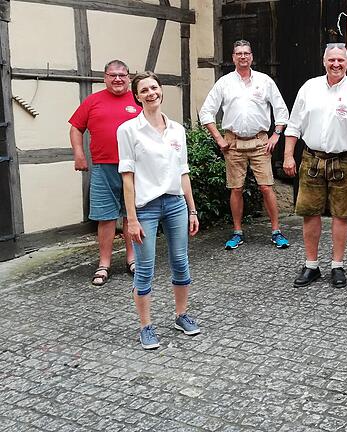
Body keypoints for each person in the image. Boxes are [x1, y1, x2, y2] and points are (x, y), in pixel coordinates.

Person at [283, 43, 347, 289]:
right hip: (312, 158)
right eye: (331, 60)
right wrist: (288, 156)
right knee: (309, 213)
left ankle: (337, 265)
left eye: (341, 60)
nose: (336, 64)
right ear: (323, 61)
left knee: (341, 215)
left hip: (346, 160)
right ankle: (311, 265)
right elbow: (294, 125)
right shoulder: (309, 88)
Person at [118, 71, 201, 350]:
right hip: (146, 208)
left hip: (175, 203)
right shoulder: (128, 130)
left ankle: (181, 315)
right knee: (145, 269)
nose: (151, 93)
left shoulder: (177, 129)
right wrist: (131, 219)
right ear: (137, 96)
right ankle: (146, 327)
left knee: (180, 261)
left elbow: (183, 172)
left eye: (154, 88)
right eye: (144, 90)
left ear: (161, 91)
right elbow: (127, 177)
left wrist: (192, 210)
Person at [199, 40, 291, 250]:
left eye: (246, 53)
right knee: (236, 188)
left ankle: (276, 231)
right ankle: (237, 232)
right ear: (233, 58)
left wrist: (276, 135)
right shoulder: (224, 83)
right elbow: (206, 112)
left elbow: (281, 111)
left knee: (266, 187)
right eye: (238, 53)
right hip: (233, 144)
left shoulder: (265, 81)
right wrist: (219, 138)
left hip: (260, 142)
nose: (243, 57)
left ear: (252, 57)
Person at [69, 60, 140, 286]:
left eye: (122, 75)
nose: (117, 79)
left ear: (129, 77)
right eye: (112, 75)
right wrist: (79, 154)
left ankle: (133, 259)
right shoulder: (92, 101)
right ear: (105, 78)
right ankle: (104, 264)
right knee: (106, 217)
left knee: (131, 216)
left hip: (135, 169)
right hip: (103, 167)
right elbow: (75, 128)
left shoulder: (138, 99)